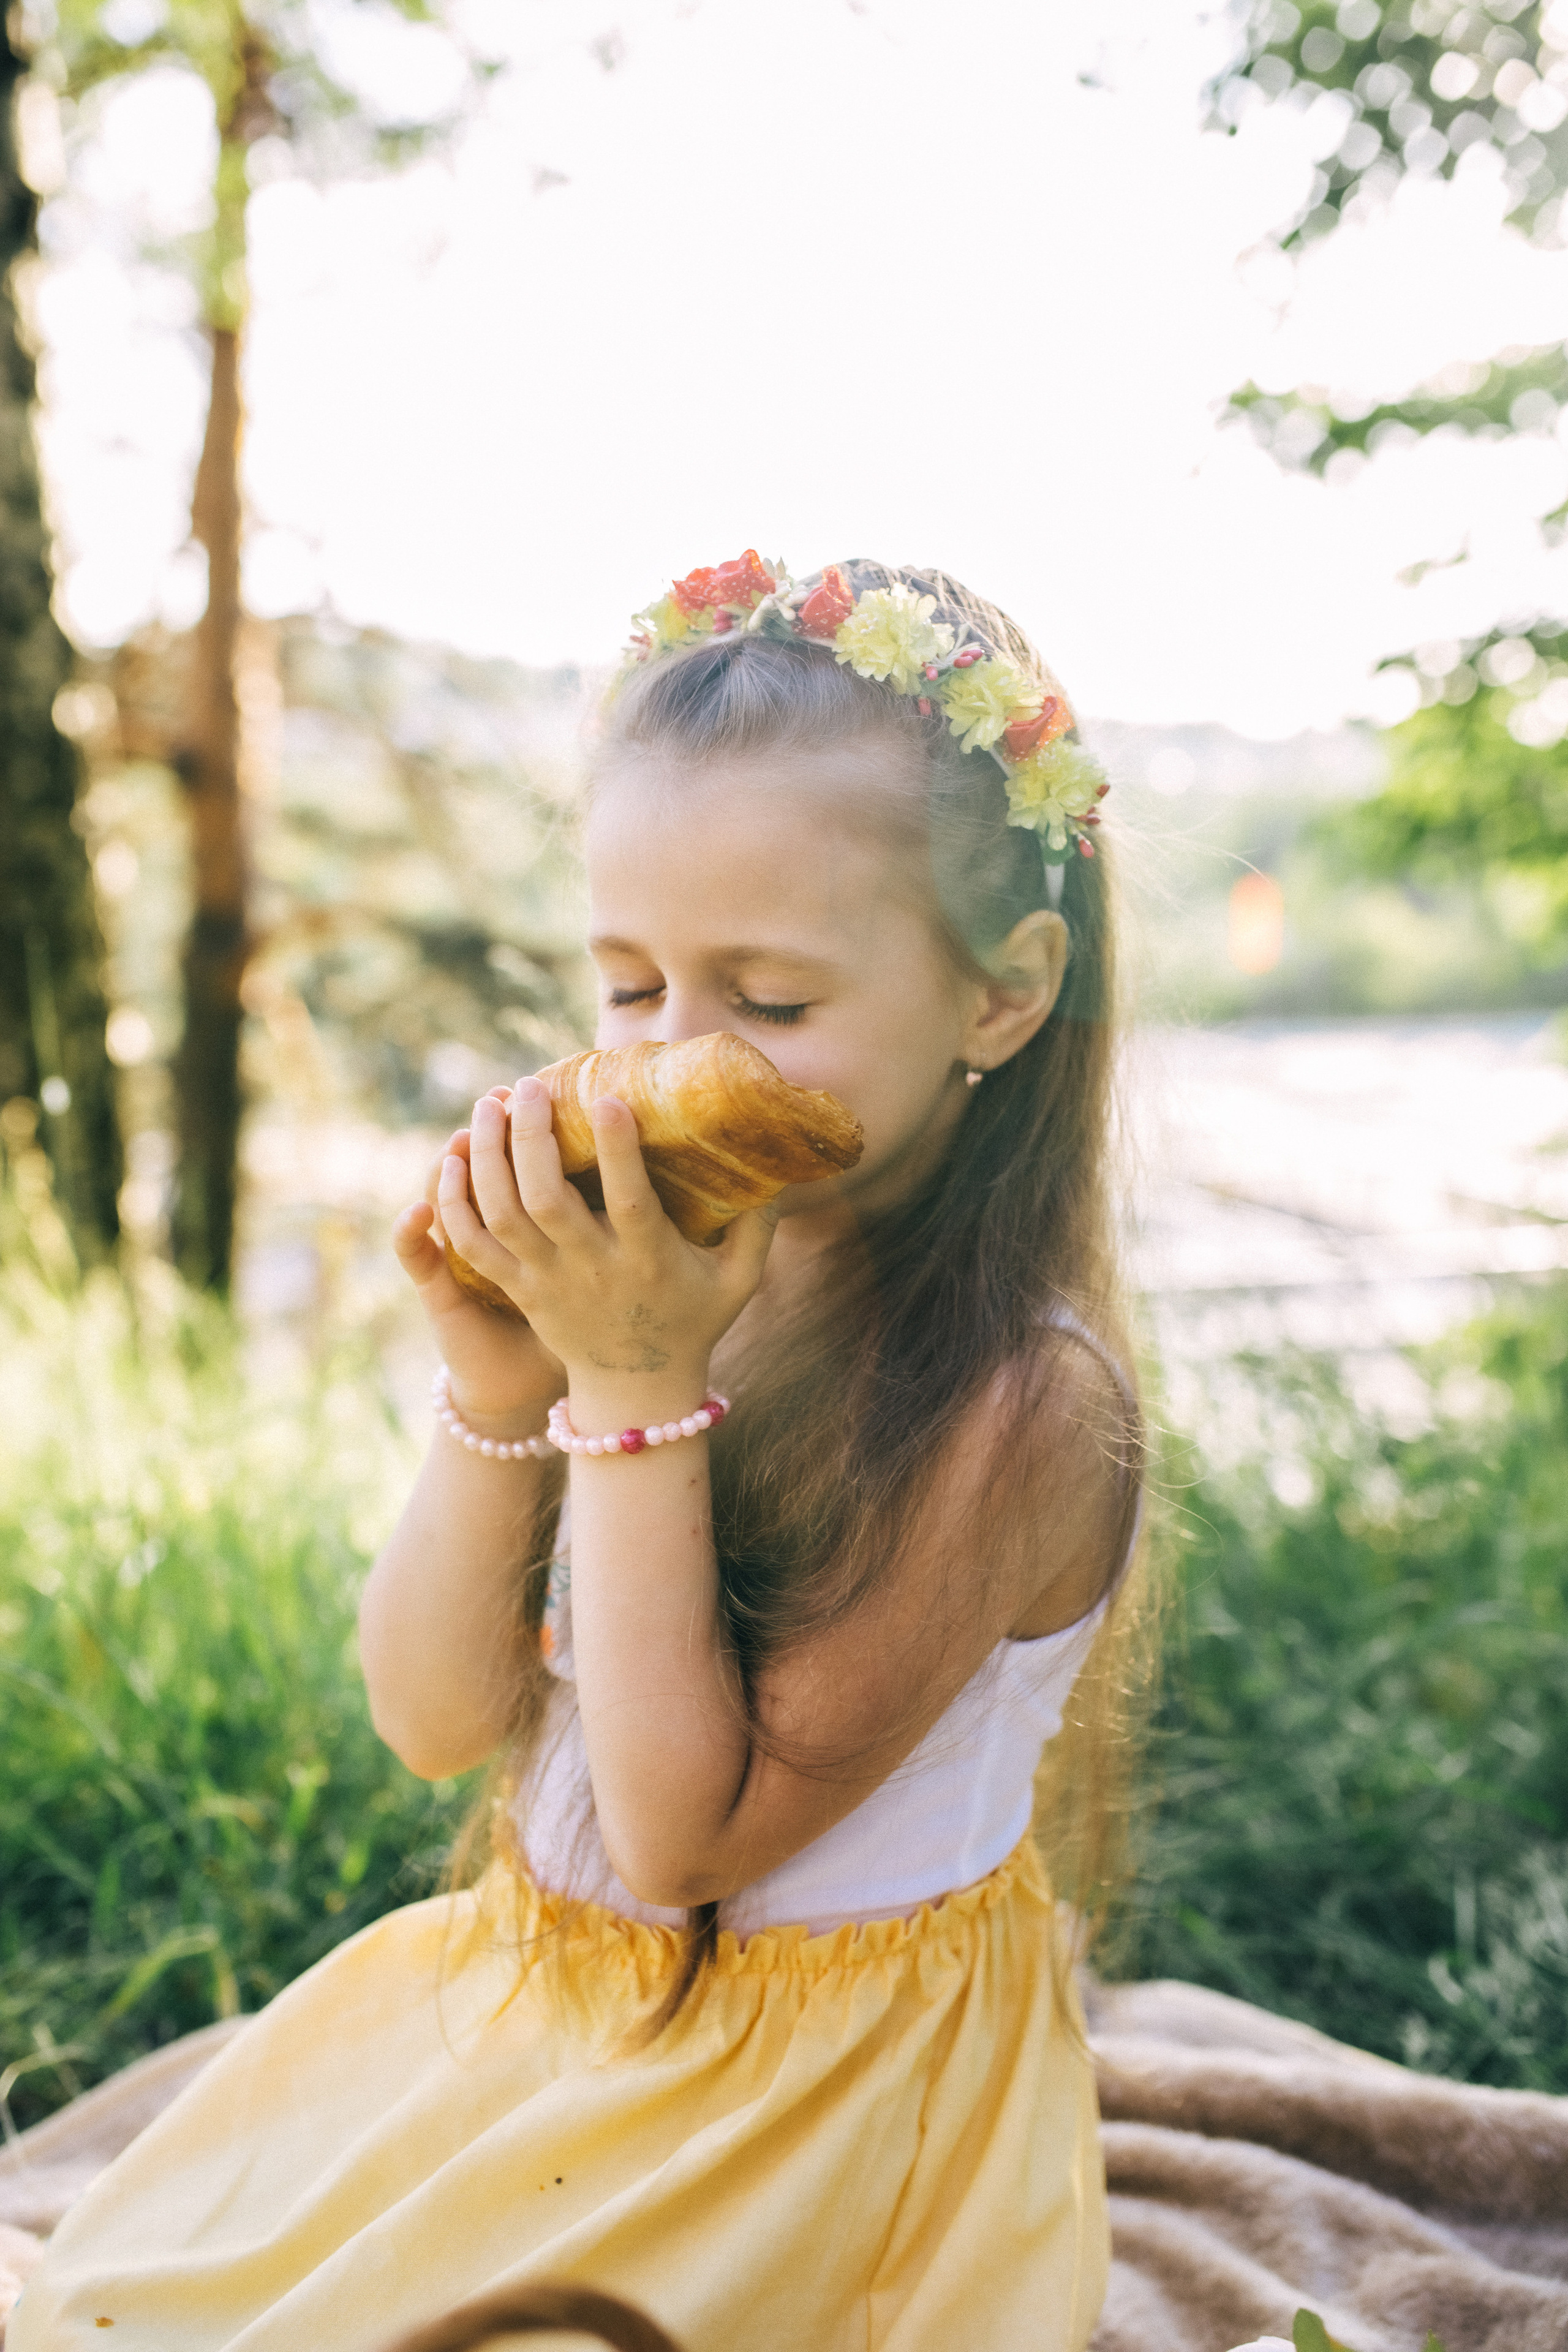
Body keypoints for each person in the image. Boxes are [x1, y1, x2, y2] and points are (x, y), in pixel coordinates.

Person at [12, 558, 1145, 2352]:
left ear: (1003, 998)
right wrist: (498, 1380)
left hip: (799, 2119)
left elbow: (683, 1835)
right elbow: (437, 1719)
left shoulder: (1020, 1408)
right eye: (628, 987)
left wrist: (627, 1382)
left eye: (769, 1003)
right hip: (556, 2016)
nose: (677, 1052)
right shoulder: (679, 1267)